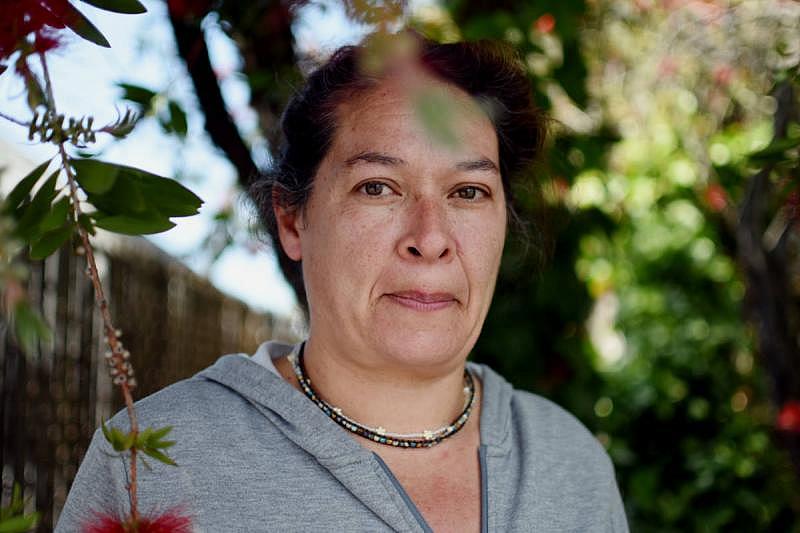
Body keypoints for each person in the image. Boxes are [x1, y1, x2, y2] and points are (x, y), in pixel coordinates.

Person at [57, 32, 628, 532]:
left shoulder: (568, 462)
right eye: (378, 187)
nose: (430, 239)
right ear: (292, 220)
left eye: (468, 192)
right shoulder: (153, 461)